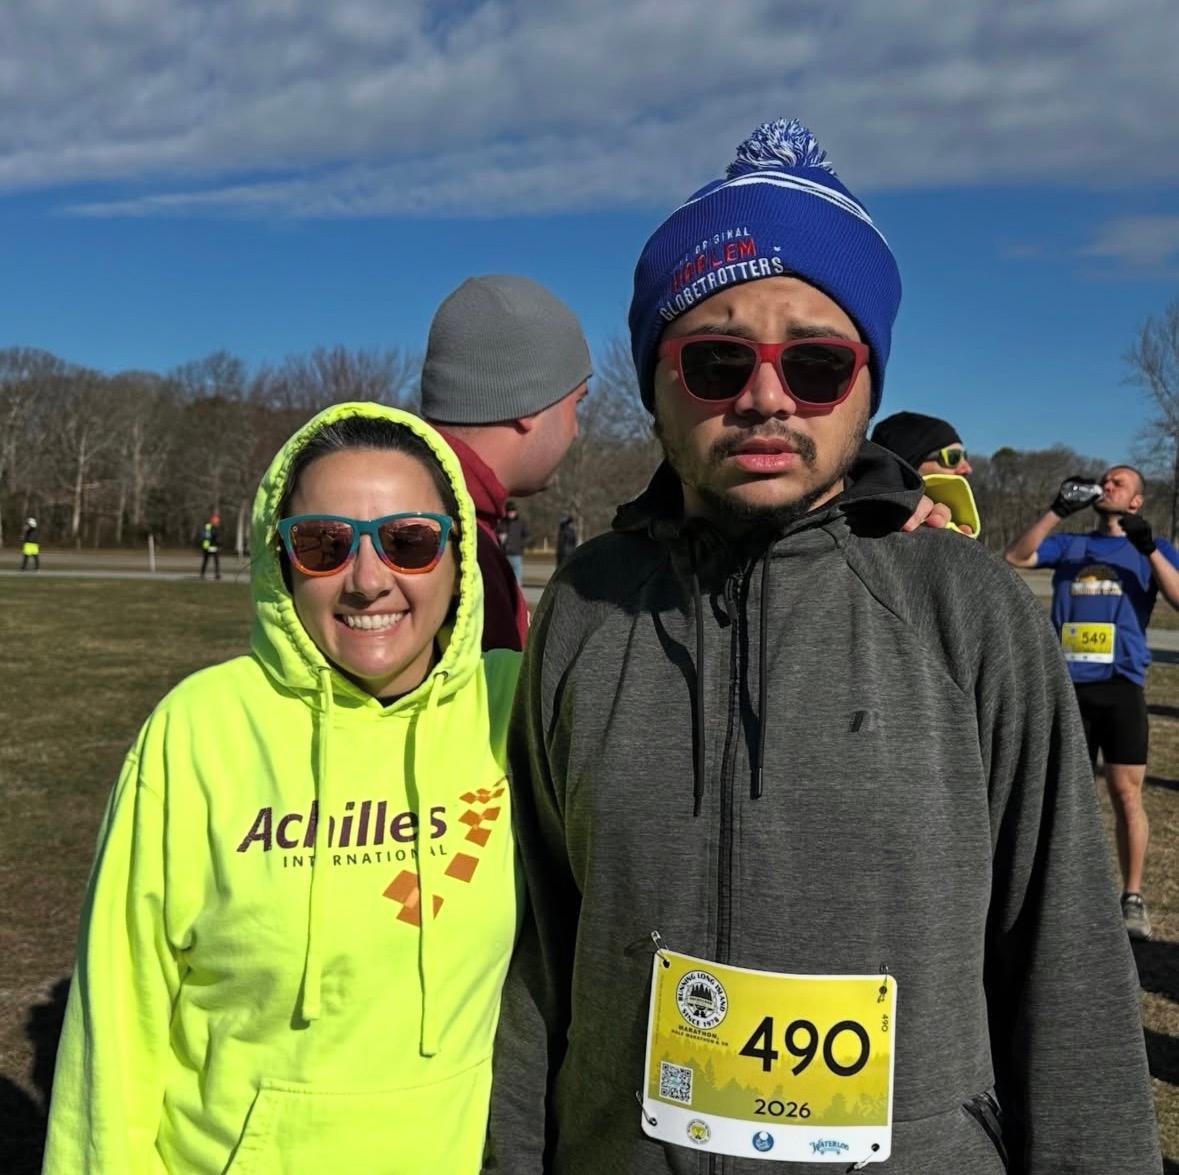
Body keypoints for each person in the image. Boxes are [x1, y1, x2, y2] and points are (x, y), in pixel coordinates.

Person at [486, 119, 1160, 1172]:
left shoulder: (969, 611)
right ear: (657, 383)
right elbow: (531, 955)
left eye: (815, 362)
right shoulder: (584, 605)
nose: (764, 395)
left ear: (868, 385)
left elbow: (1069, 974)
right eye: (714, 360)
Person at [43, 403, 521, 1173]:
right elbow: (117, 1024)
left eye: (409, 541)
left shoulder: (516, 714)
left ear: (458, 555)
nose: (369, 581)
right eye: (324, 544)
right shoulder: (196, 730)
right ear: (281, 560)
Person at [1005, 466, 1179, 941]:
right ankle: (1062, 895)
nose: (1109, 483)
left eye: (1120, 481)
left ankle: (1133, 897)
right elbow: (1015, 556)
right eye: (1106, 478)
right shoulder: (1072, 545)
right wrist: (1058, 510)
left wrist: (1146, 547)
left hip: (1121, 685)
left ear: (1137, 502)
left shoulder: (1154, 548)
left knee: (1126, 795)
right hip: (1068, 685)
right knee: (1064, 799)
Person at [421, 274, 591, 650]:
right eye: (575, 403)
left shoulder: (412, 508)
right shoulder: (460, 553)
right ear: (529, 401)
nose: (575, 430)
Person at [872, 410, 980, 536]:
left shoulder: (964, 526)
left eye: (965, 456)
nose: (968, 469)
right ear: (908, 464)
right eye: (953, 457)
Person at [498, 500, 528, 584]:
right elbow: (497, 535)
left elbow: (526, 536)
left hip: (516, 554)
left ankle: (517, 594)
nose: (511, 513)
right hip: (504, 553)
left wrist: (521, 545)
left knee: (517, 578)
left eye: (513, 511)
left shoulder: (521, 523)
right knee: (504, 578)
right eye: (509, 511)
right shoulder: (502, 523)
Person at [199, 511, 221, 580]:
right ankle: (215, 574)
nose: (217, 522)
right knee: (213, 561)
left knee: (210, 561)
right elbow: (209, 538)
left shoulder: (209, 527)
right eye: (216, 521)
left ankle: (204, 574)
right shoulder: (210, 528)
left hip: (209, 547)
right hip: (210, 546)